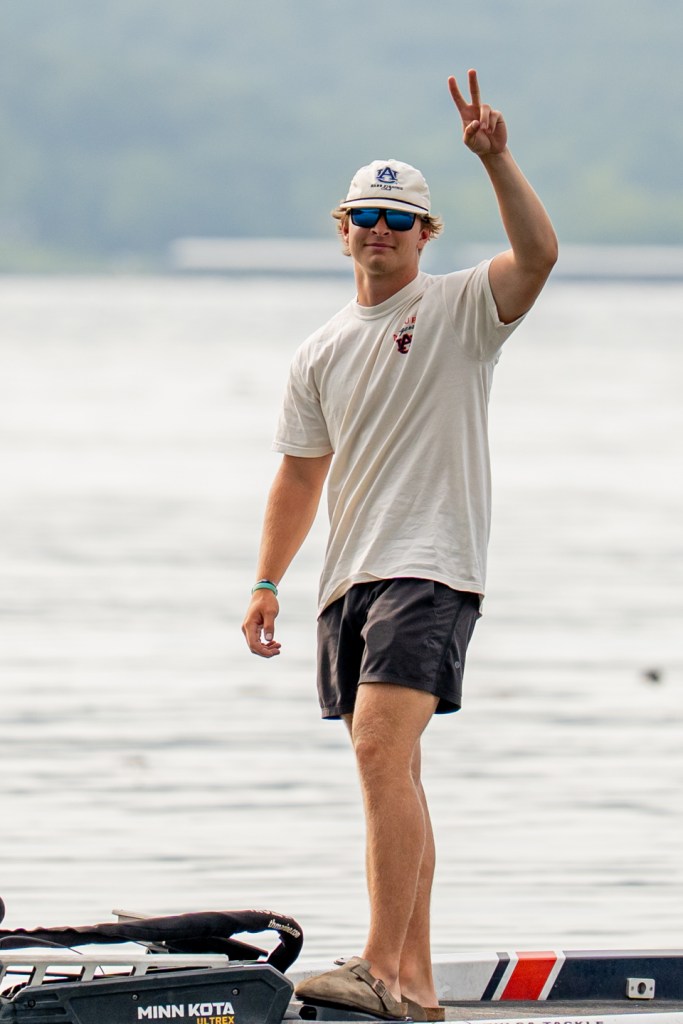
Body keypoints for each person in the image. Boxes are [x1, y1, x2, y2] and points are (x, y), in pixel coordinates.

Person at [241, 69, 557, 1022]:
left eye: (399, 218)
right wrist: (266, 581)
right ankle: (413, 984)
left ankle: (380, 966)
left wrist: (496, 159)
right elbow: (300, 476)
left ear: (424, 235)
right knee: (394, 769)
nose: (379, 230)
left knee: (381, 748)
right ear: (342, 230)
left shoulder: (461, 309)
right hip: (350, 582)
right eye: (365, 217)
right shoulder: (319, 350)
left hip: (432, 566)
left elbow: (538, 255)